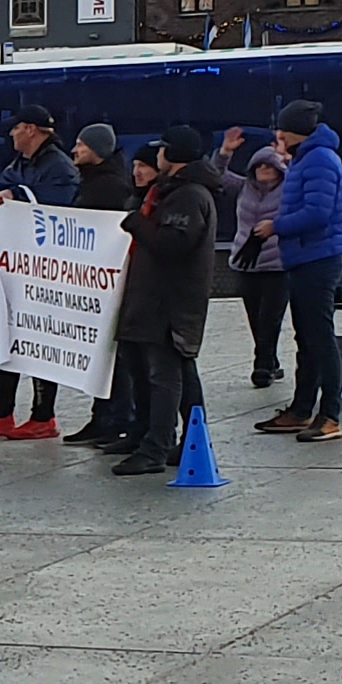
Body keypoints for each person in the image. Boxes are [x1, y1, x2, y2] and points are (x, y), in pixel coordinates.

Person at [0, 108, 77, 439]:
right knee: (0, 335)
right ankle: (1, 411)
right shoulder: (21, 163)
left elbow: (59, 210)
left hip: (40, 272)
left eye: (15, 129)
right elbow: (0, 185)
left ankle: (44, 415)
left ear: (30, 129)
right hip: (9, 269)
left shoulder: (58, 166)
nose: (10, 135)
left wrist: (20, 196)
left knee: (37, 339)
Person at [113, 131, 221, 476]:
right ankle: (188, 438)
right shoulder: (172, 192)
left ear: (173, 155)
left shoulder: (188, 196)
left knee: (165, 375)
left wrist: (137, 224)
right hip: (155, 300)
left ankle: (156, 446)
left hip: (170, 303)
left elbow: (173, 243)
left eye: (161, 151)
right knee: (178, 373)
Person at [259, 99, 342, 443]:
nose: (277, 134)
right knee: (307, 338)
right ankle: (301, 410)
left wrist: (276, 226)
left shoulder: (320, 161)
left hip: (317, 258)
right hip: (303, 257)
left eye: (280, 128)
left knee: (320, 337)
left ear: (293, 131)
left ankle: (329, 415)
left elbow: (317, 213)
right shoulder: (305, 159)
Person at [60, 125, 142, 451]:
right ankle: (102, 416)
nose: (75, 149)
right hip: (95, 281)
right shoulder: (93, 180)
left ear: (98, 150)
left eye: (81, 144)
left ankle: (118, 419)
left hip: (109, 281)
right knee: (103, 353)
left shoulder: (109, 186)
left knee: (116, 356)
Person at [221, 128, 290, 388]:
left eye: (269, 165)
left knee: (270, 316)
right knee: (254, 317)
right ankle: (271, 361)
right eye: (259, 165)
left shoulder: (289, 188)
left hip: (277, 263)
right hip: (246, 263)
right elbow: (216, 177)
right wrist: (226, 152)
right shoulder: (243, 187)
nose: (264, 169)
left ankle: (262, 366)